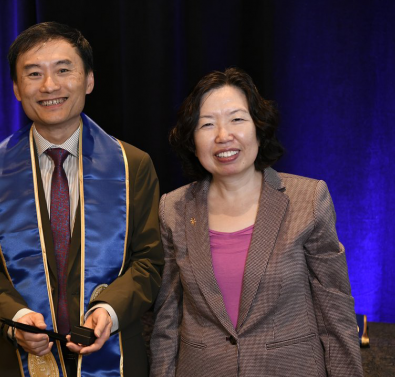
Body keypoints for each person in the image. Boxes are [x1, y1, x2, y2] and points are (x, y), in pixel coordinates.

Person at [0, 21, 163, 377]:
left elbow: (149, 262)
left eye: (63, 70)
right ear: (17, 89)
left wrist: (110, 312)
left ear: (89, 80)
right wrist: (17, 319)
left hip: (114, 356)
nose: (50, 86)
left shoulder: (132, 165)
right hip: (20, 360)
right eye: (34, 73)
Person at [150, 68, 363, 376]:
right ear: (192, 140)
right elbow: (167, 317)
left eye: (237, 119)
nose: (224, 136)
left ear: (259, 129)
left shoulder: (309, 199)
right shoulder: (173, 208)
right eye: (207, 124)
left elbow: (335, 309)